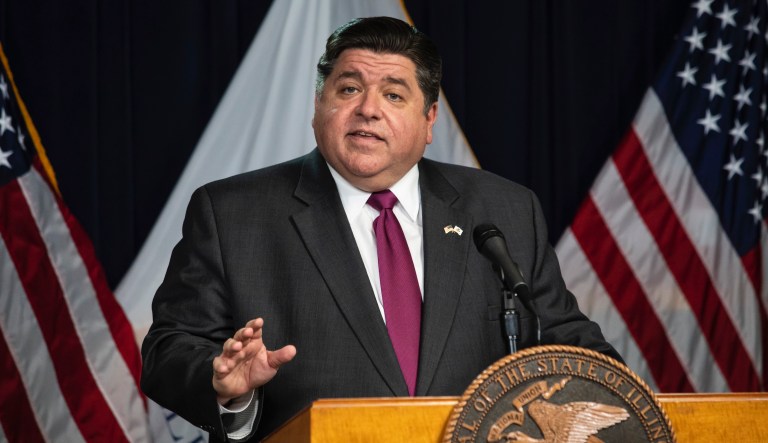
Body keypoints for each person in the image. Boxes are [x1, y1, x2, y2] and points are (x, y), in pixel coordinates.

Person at [140, 16, 621, 442]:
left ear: (429, 118)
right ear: (318, 103)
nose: (368, 109)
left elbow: (570, 345)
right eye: (349, 89)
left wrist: (614, 392)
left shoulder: (505, 209)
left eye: (393, 94)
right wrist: (227, 388)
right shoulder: (232, 212)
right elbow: (167, 352)